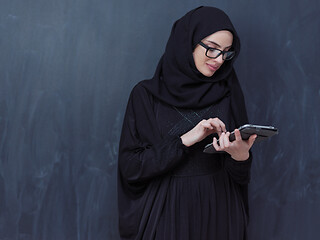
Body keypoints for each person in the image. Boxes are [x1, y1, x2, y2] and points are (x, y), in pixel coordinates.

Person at [118, 6, 256, 240]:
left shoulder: (228, 91)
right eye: (212, 49)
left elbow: (240, 177)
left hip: (221, 212)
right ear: (187, 41)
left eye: (227, 52)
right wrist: (186, 139)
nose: (220, 60)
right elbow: (131, 167)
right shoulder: (145, 95)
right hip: (166, 212)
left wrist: (240, 156)